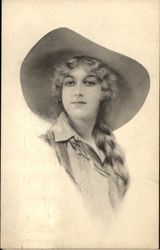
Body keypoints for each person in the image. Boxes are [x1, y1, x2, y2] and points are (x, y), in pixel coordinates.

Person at [20, 27, 150, 221]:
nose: (77, 92)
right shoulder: (46, 149)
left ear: (103, 92)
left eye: (89, 83)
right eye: (70, 83)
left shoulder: (112, 152)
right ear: (60, 92)